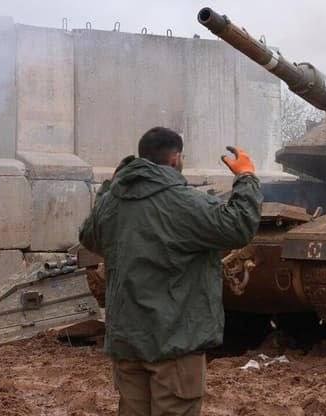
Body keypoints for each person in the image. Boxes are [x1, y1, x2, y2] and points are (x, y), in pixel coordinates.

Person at [79, 126, 262, 416]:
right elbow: (239, 226)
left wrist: (110, 186)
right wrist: (247, 177)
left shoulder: (112, 203)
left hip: (127, 343)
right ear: (175, 158)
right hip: (174, 343)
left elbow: (89, 236)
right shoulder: (185, 203)